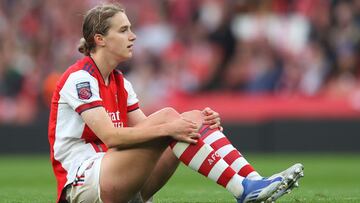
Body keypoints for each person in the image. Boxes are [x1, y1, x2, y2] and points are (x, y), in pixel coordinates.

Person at [48, 3, 304, 203]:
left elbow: (146, 131)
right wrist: (171, 128)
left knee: (193, 118)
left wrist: (195, 126)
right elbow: (111, 136)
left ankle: (254, 182)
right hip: (83, 185)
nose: (133, 36)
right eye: (124, 30)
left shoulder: (120, 82)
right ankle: (242, 190)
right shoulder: (80, 78)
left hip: (113, 176)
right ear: (100, 39)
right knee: (172, 117)